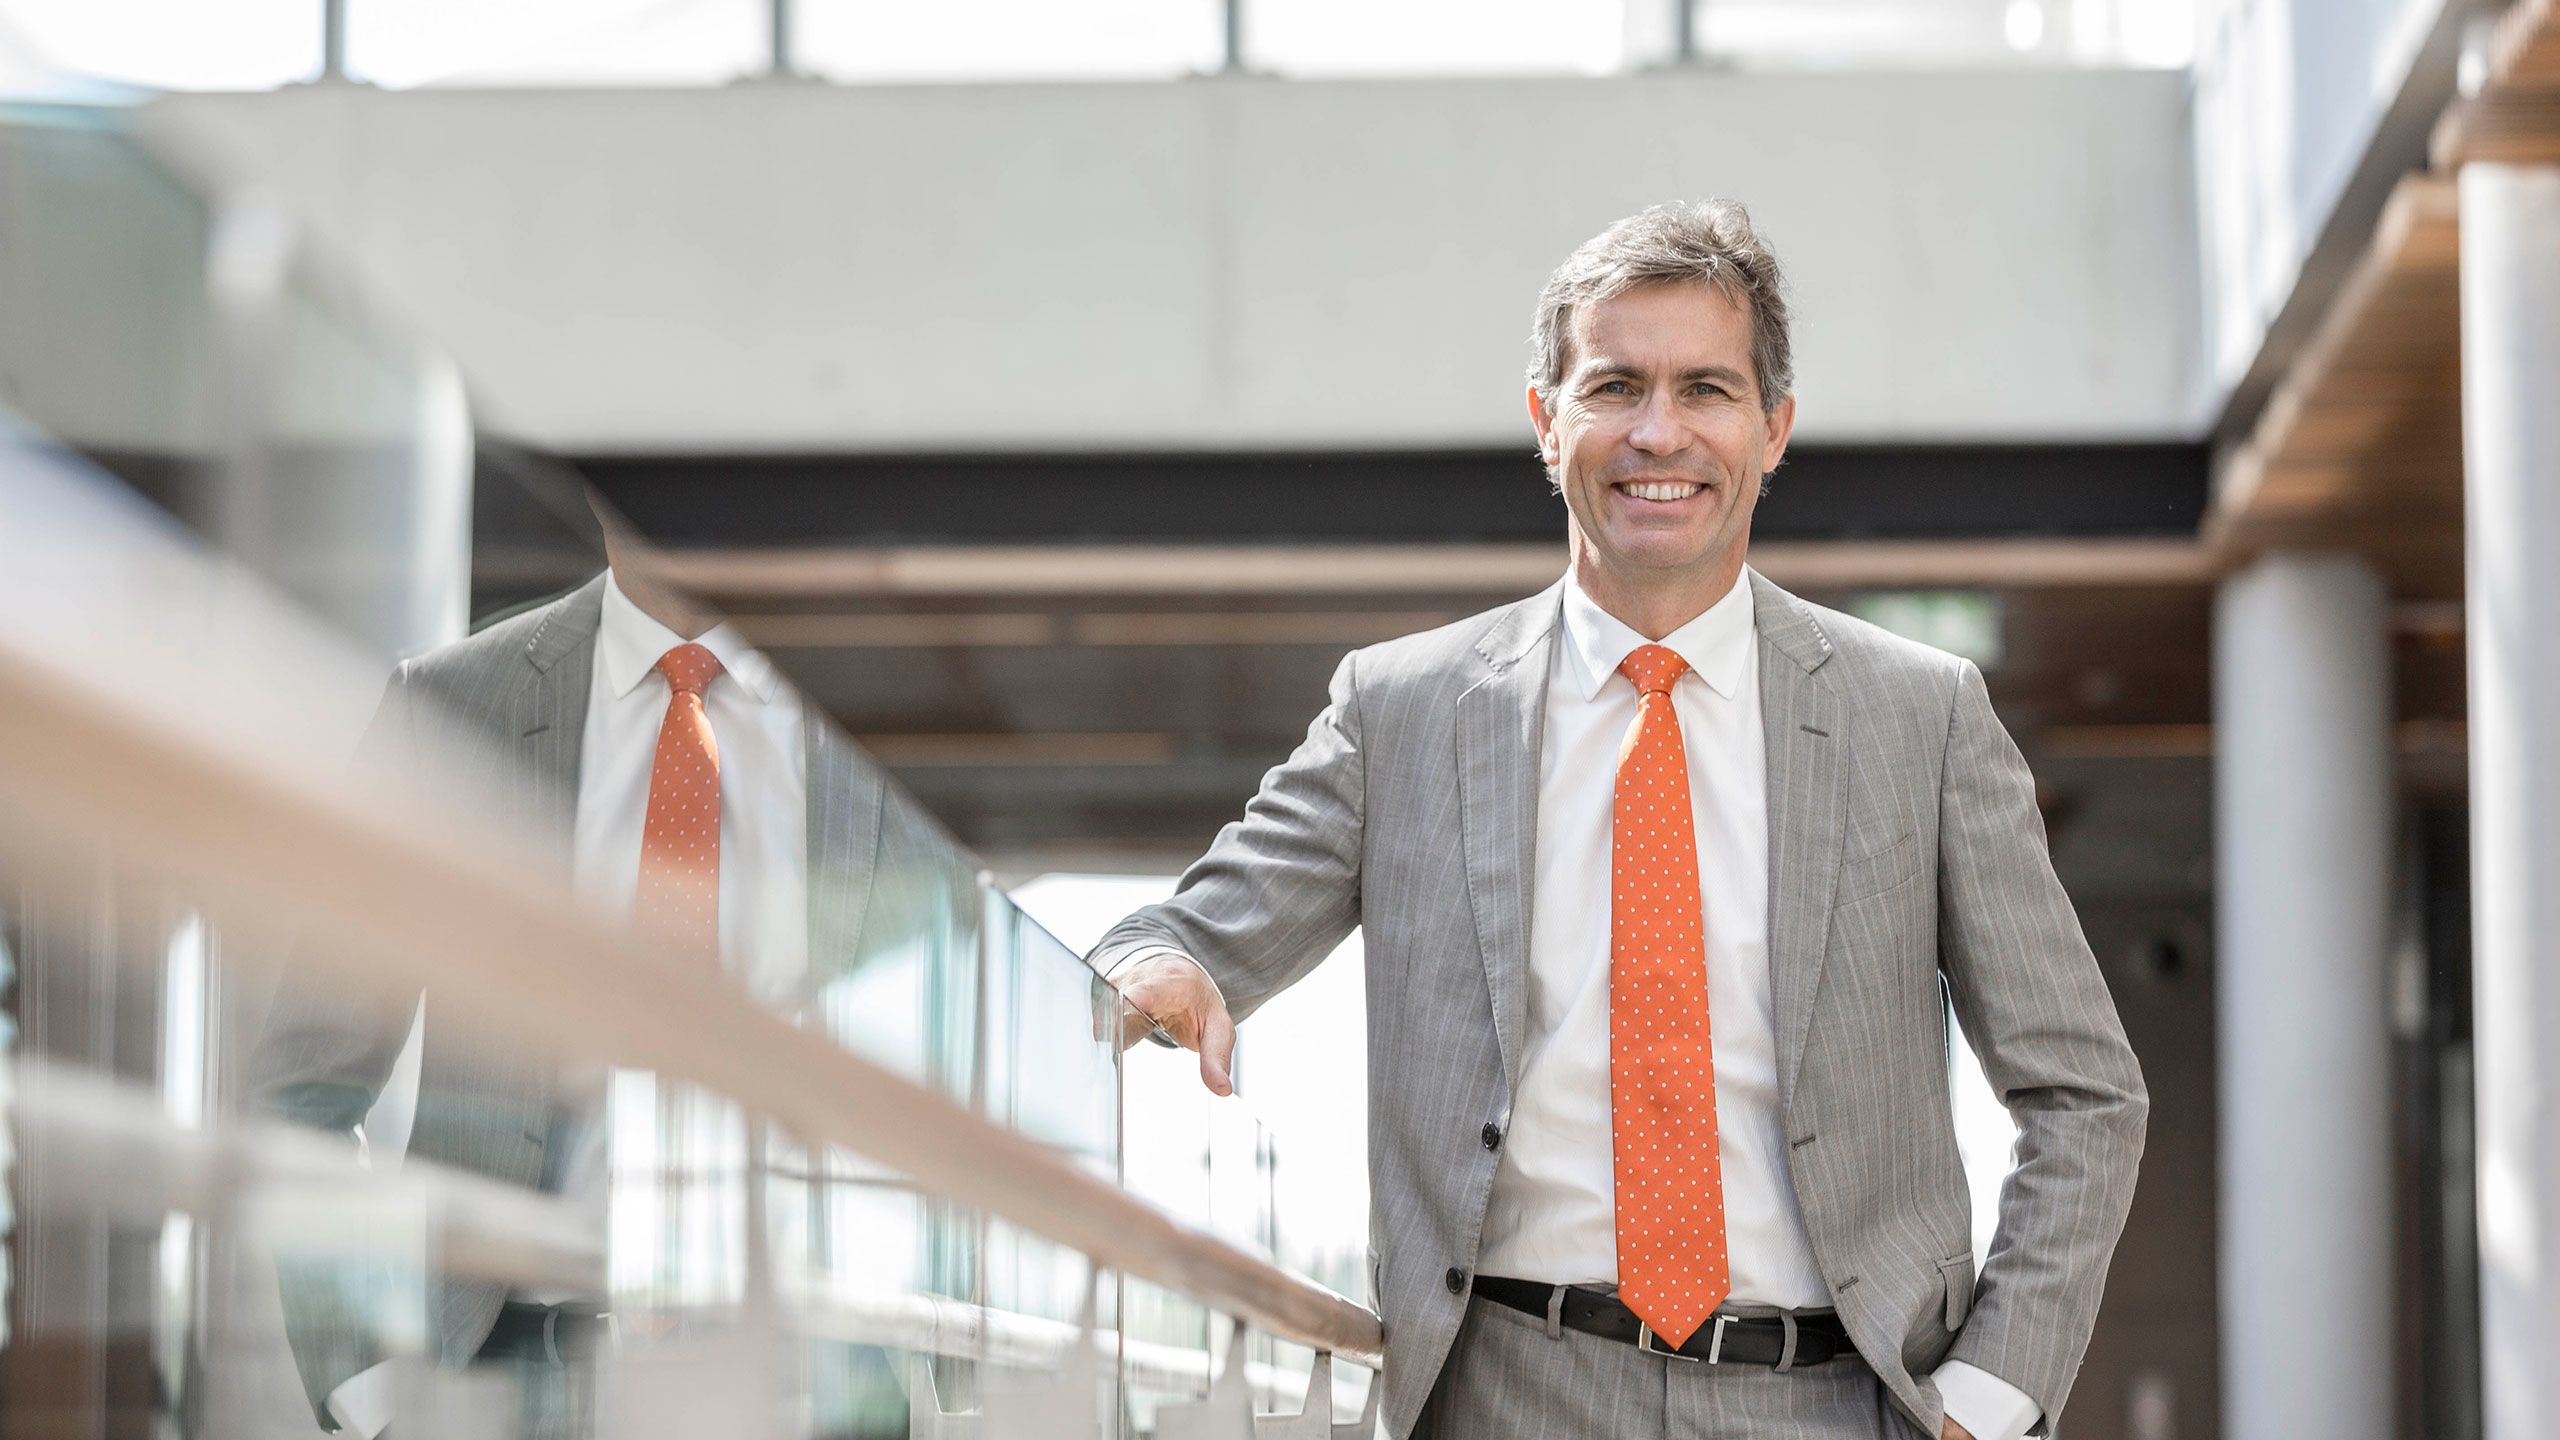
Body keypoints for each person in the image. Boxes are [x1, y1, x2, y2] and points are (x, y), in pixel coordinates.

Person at [1096, 201, 2147, 1440]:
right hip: (1504, 1395)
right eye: (1614, 387)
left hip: (1835, 1401)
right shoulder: (1404, 712)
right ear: (1548, 423)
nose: (1660, 432)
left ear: (1773, 430)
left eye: (1706, 388)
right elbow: (1186, 937)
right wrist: (1149, 963)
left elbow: (2081, 1091)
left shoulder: (1919, 719)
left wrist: (1983, 1398)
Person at [250, 516, 912, 1438]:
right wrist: (365, 1383)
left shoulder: (896, 715)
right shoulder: (448, 706)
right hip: (508, 1380)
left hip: (816, 1382)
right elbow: (307, 1080)